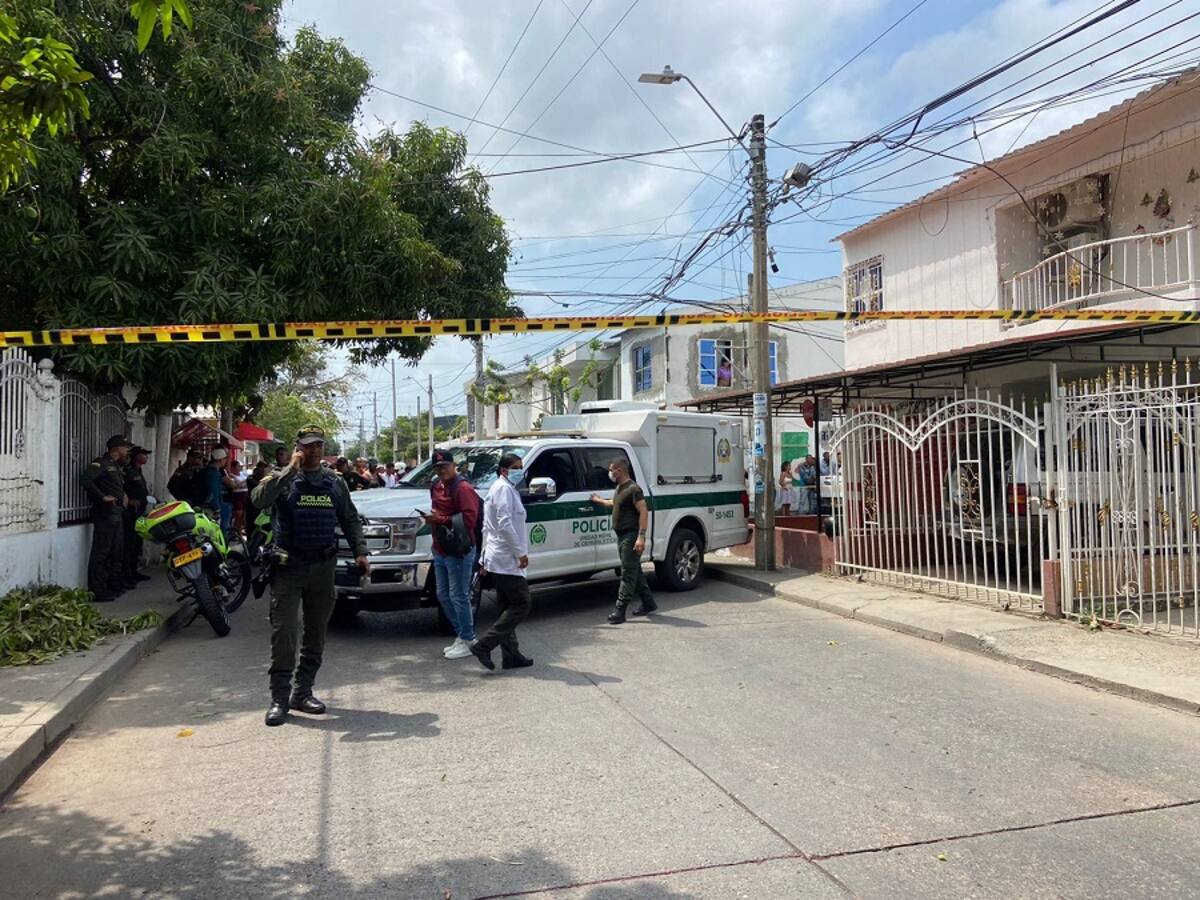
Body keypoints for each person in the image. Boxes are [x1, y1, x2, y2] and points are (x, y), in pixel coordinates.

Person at [252, 425, 368, 727]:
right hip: (288, 568)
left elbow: (350, 518)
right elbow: (258, 501)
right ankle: (279, 698)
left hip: (322, 568)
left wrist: (360, 551)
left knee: (316, 633)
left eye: (318, 445)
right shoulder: (282, 479)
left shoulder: (334, 482)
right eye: (307, 445)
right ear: (297, 447)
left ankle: (302, 692)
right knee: (285, 635)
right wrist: (289, 470)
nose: (314, 450)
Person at [470, 452, 534, 671]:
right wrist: (519, 553)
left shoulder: (501, 488)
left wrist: (484, 558)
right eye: (516, 467)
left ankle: (511, 655)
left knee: (506, 606)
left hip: (498, 556)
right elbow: (505, 524)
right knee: (522, 603)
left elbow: (487, 526)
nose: (520, 471)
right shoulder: (504, 489)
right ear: (505, 470)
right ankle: (484, 645)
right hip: (506, 557)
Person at [421, 449, 480, 659]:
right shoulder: (436, 486)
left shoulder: (463, 488)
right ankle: (463, 635)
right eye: (437, 467)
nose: (441, 470)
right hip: (440, 548)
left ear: (453, 465)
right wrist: (434, 517)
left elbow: (469, 520)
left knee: (459, 595)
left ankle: (468, 638)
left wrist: (441, 520)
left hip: (459, 550)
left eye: (444, 466)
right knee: (443, 595)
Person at [590, 457, 655, 624]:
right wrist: (599, 501)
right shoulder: (620, 487)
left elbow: (643, 511)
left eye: (612, 470)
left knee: (627, 572)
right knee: (635, 571)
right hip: (622, 535)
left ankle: (620, 610)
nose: (609, 473)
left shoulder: (634, 489)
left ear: (619, 470)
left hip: (631, 536)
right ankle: (649, 603)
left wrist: (641, 537)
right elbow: (617, 503)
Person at [81, 435, 132, 602]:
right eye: (125, 447)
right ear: (116, 448)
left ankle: (110, 585)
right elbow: (86, 480)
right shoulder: (101, 463)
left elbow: (115, 486)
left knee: (115, 550)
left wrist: (123, 494)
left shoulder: (115, 466)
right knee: (101, 553)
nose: (127, 451)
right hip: (105, 513)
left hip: (116, 513)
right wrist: (102, 497)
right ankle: (97, 590)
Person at [122, 445, 153, 587]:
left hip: (139, 512)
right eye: (143, 454)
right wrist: (129, 501)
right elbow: (121, 490)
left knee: (136, 544)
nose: (146, 456)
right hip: (130, 512)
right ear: (136, 456)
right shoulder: (128, 471)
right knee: (128, 545)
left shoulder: (138, 471)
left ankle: (133, 572)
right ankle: (126, 575)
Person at [229, 458, 249, 535]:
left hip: (245, 494)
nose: (239, 468)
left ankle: (240, 530)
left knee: (244, 514)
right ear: (233, 467)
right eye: (238, 466)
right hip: (238, 496)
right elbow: (236, 485)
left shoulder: (243, 474)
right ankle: (236, 531)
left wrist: (242, 483)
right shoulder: (231, 475)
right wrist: (244, 482)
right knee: (238, 514)